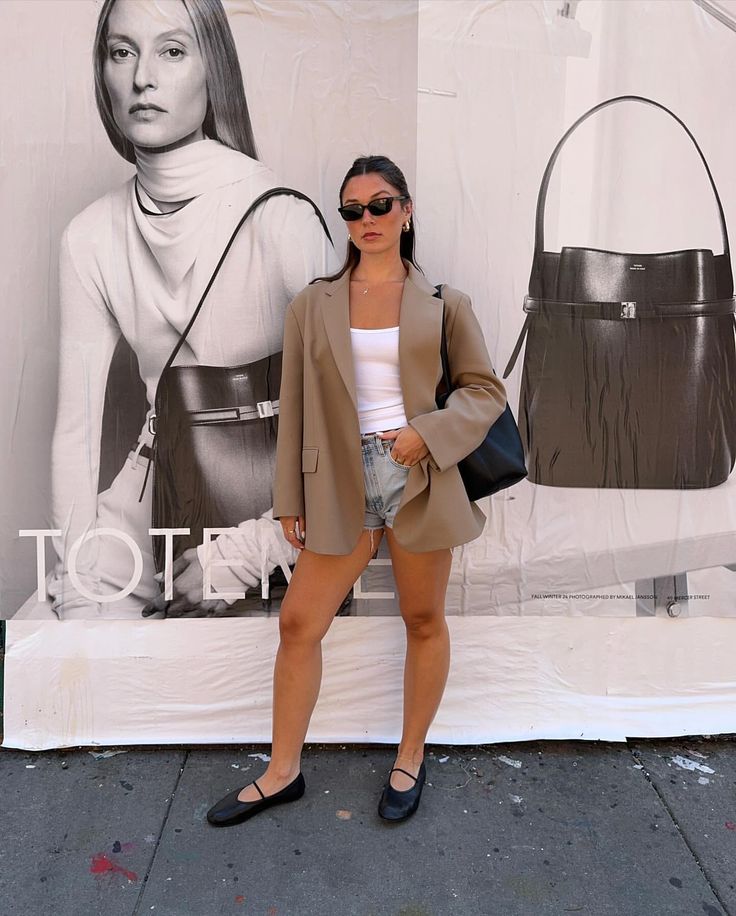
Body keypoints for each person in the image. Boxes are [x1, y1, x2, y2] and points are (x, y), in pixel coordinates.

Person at [207, 155, 507, 825]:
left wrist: (427, 433)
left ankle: (409, 756)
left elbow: (485, 392)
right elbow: (295, 404)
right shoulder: (313, 304)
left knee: (423, 620)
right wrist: (289, 496)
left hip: (417, 477)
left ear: (406, 211)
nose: (366, 219)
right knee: (299, 622)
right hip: (337, 480)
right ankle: (282, 771)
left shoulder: (443, 304)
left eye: (380, 205)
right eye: (352, 209)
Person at [34, 0, 332, 620]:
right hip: (150, 499)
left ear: (212, 68)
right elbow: (76, 434)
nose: (143, 76)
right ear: (104, 73)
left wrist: (249, 554)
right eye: (122, 52)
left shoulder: (281, 218)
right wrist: (73, 569)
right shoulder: (88, 237)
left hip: (275, 510)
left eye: (172, 51)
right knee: (48, 640)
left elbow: (365, 429)